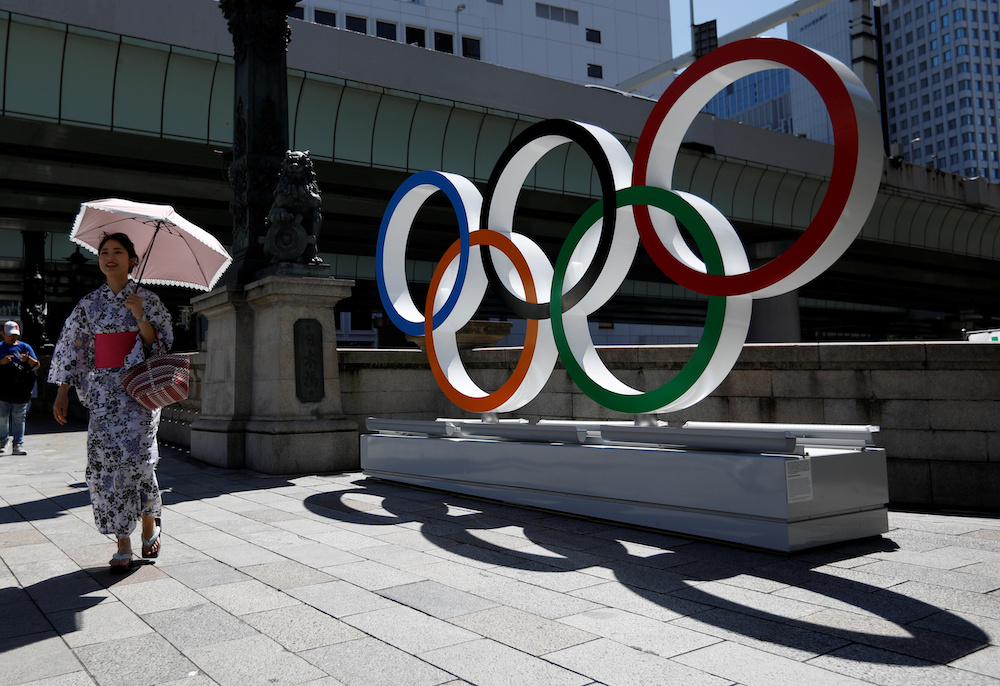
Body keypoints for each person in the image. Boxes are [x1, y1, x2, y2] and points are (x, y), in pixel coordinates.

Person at [49, 232, 173, 572]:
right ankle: (122, 541)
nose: (110, 257)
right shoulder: (89, 305)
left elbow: (160, 346)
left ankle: (149, 523)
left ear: (132, 260)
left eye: (118, 251)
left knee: (140, 461)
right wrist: (62, 390)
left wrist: (140, 317)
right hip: (104, 395)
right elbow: (71, 348)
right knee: (105, 465)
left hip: (138, 394)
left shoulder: (147, 299)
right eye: (104, 252)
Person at [0, 320, 39, 455]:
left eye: (15, 335)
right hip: (3, 388)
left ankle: (18, 444)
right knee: (2, 416)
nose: (13, 338)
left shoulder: (25, 347)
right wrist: (2, 362)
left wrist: (28, 360)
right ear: (2, 334)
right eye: (10, 335)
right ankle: (2, 442)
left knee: (19, 417)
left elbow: (37, 365)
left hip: (21, 388)